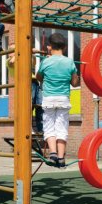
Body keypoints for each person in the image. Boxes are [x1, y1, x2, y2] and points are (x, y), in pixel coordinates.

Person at [36, 33, 79, 168]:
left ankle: (53, 152)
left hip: (49, 98)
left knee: (49, 126)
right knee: (61, 127)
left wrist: (47, 78)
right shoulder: (69, 62)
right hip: (63, 99)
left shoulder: (46, 62)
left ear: (50, 47)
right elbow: (75, 82)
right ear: (65, 47)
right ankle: (61, 158)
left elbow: (38, 77)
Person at [6, 44, 44, 134]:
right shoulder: (8, 60)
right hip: (24, 83)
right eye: (12, 50)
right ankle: (27, 128)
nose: (14, 51)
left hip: (34, 82)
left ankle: (40, 128)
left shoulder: (23, 58)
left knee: (40, 105)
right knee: (28, 106)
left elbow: (33, 63)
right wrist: (22, 50)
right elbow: (12, 62)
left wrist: (32, 53)